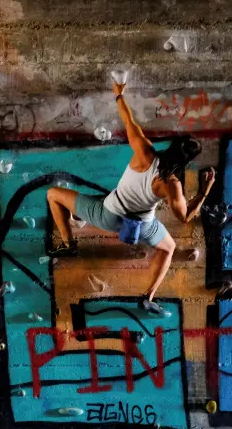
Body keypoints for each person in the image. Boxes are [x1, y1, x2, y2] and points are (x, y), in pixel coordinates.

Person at [45, 80, 215, 316]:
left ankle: (68, 245)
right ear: (186, 162)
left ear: (172, 145)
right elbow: (185, 216)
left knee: (53, 194)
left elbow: (129, 122)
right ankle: (148, 297)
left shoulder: (145, 151)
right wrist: (205, 190)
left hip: (108, 215)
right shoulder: (172, 185)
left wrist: (119, 96)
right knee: (168, 248)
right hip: (142, 226)